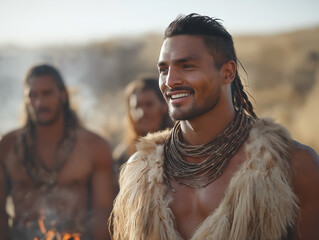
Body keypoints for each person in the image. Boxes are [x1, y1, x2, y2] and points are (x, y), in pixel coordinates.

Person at [111, 13, 319, 240]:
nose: (170, 81)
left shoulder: (294, 166)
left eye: (187, 66)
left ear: (227, 72)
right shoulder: (139, 173)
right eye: (163, 69)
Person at [0, 64, 114, 240]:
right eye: (33, 95)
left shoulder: (94, 147)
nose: (39, 102)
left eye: (47, 93)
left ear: (62, 95)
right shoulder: (8, 147)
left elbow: (103, 213)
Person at [112, 76, 173, 191]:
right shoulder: (123, 156)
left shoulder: (182, 147)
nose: (142, 113)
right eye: (136, 107)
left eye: (149, 105)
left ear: (164, 105)